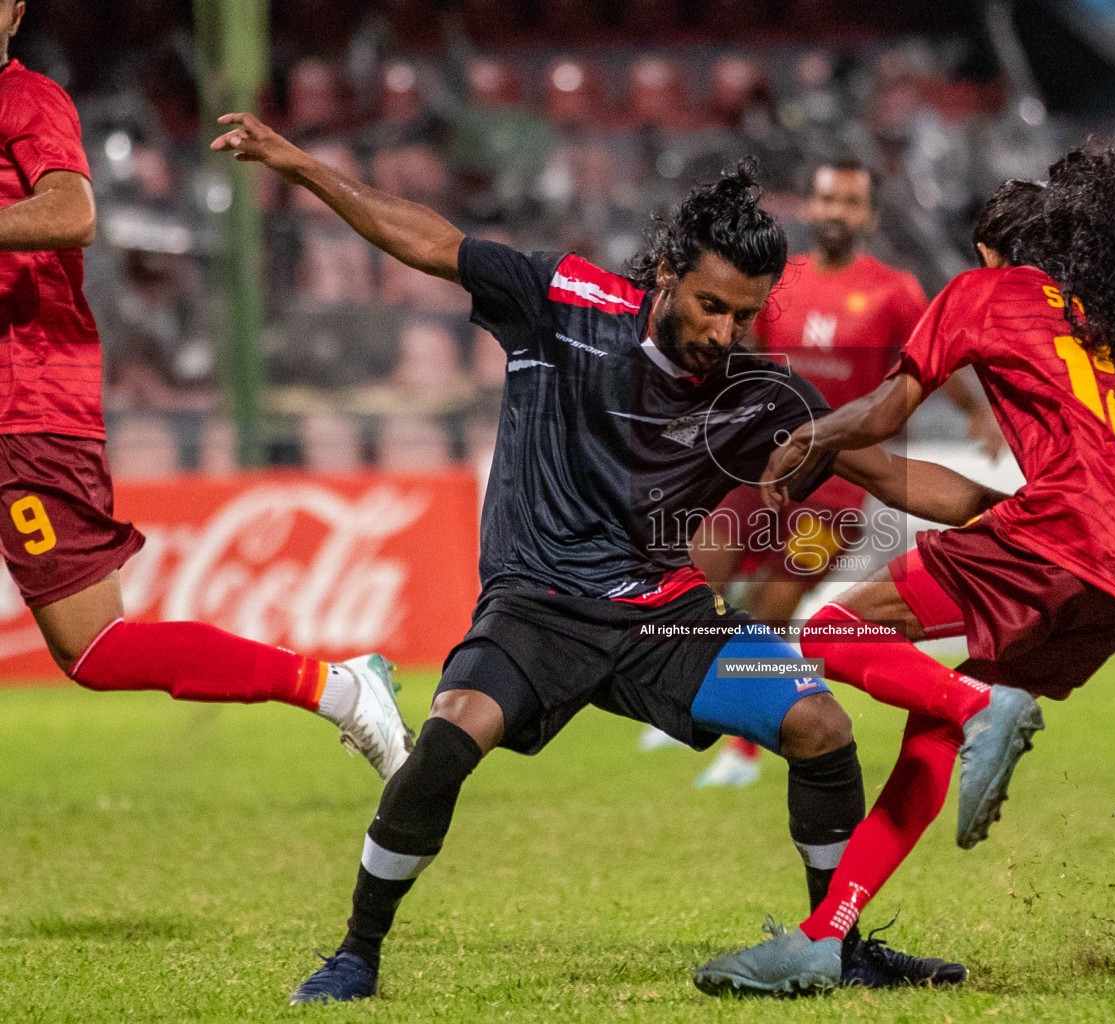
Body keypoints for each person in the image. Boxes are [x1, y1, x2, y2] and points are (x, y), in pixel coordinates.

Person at [213, 112, 1011, 1002]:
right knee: (447, 738)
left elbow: (895, 476)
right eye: (711, 306)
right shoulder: (565, 303)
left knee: (819, 727)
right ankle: (357, 953)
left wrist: (1023, 518)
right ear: (667, 276)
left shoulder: (757, 394)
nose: (723, 332)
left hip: (665, 618)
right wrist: (300, 165)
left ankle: (839, 946)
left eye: (745, 315)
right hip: (536, 605)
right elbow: (429, 242)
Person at [692, 146, 1115, 994]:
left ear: (990, 251)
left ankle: (980, 706)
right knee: (937, 726)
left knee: (836, 633)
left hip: (1065, 531)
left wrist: (822, 435)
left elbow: (888, 411)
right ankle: (824, 935)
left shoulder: (985, 291)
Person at [0, 0, 409, 780]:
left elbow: (72, 210)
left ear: (15, 11)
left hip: (28, 408)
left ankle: (342, 690)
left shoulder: (28, 99)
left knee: (94, 648)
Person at [679, 158, 1005, 789]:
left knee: (774, 609)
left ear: (869, 215)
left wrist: (978, 414)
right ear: (808, 204)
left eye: (851, 202)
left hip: (836, 491)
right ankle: (685, 702)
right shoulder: (777, 282)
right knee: (695, 580)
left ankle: (742, 750)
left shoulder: (895, 290)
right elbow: (742, 355)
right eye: (828, 198)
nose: (837, 211)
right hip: (757, 465)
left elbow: (930, 362)